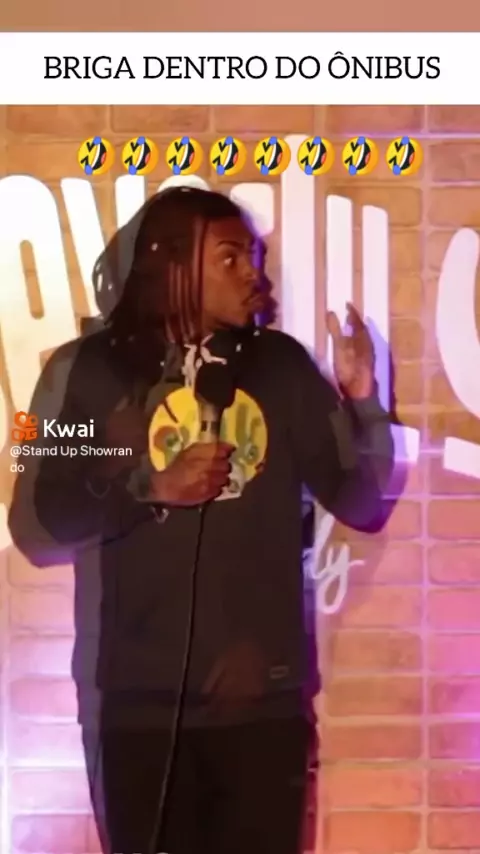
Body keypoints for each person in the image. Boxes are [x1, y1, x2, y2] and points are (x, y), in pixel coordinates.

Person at [9, 186, 394, 854]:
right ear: (172, 265)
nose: (254, 276)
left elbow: (362, 503)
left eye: (253, 258)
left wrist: (364, 401)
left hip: (261, 704)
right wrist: (147, 487)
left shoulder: (281, 367)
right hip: (132, 709)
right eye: (230, 258)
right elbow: (36, 526)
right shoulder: (82, 372)